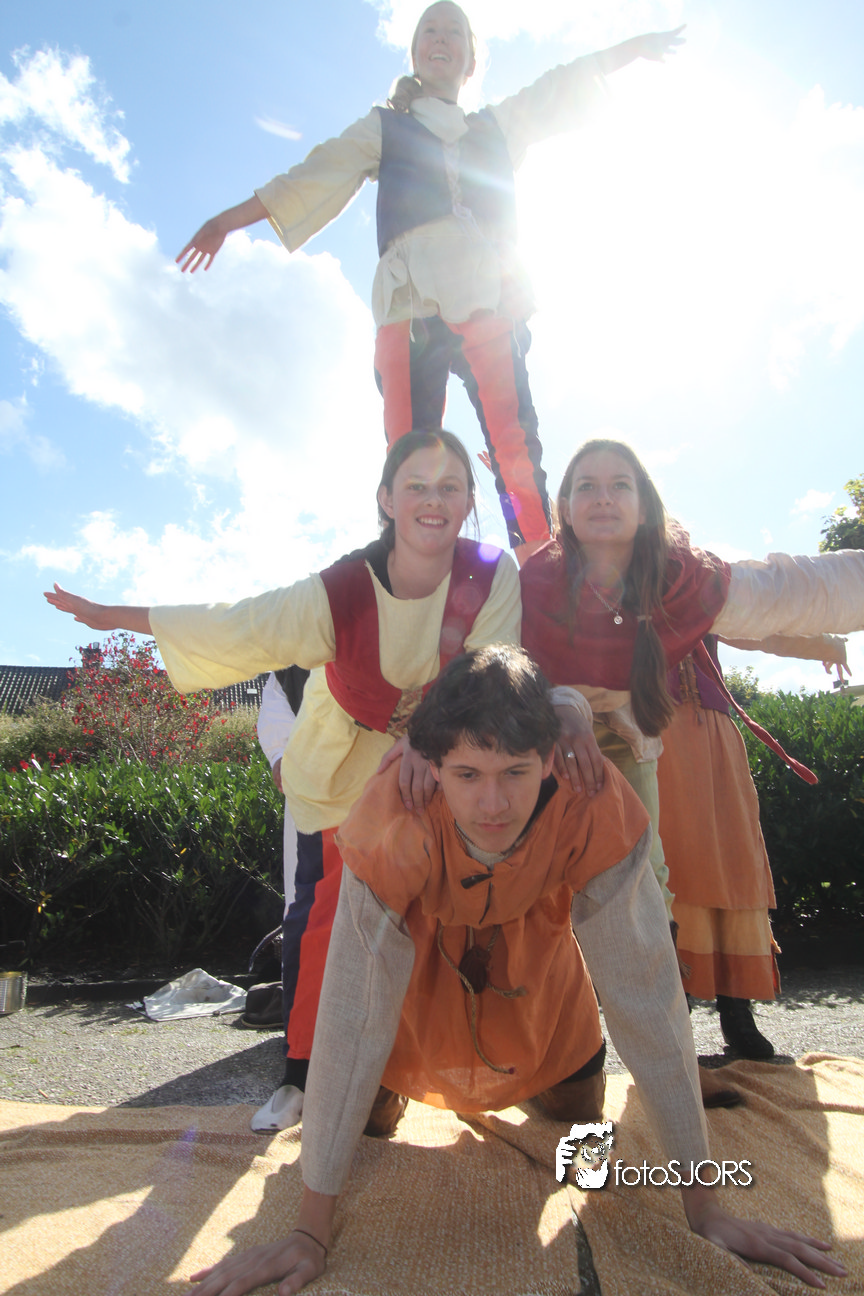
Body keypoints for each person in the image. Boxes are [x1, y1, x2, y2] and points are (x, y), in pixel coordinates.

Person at [182, 646, 846, 1296]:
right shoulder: (393, 816)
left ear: (551, 759)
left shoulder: (593, 802)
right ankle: (385, 1105)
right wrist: (310, 1231)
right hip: (417, 1009)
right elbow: (354, 1008)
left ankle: (555, 1084)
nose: (492, 804)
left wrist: (707, 1210)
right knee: (364, 1129)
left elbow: (646, 997)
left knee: (581, 1126)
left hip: (543, 1002)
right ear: (432, 767)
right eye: (468, 775)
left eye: (515, 772)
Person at [45, 429, 541, 1131]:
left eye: (450, 487)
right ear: (386, 499)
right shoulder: (341, 588)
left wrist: (423, 745)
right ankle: (301, 1074)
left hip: (440, 768)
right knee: (321, 917)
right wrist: (118, 619)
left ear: (467, 502)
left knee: (445, 910)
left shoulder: (492, 572)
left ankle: (439, 1067)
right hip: (339, 769)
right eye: (417, 486)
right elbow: (244, 625)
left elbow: (488, 672)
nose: (433, 500)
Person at [176, 3, 685, 561]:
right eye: (430, 31)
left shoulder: (496, 125)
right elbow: (311, 174)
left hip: (487, 295)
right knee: (410, 454)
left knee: (514, 446)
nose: (441, 39)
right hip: (409, 300)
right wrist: (225, 222)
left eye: (453, 32)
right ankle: (413, 573)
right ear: (415, 53)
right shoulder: (386, 127)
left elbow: (559, 85)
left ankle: (540, 567)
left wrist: (629, 51)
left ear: (472, 61)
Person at [518, 438, 864, 1097]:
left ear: (647, 510)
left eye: (621, 487)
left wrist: (824, 641)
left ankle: (713, 1030)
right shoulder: (547, 586)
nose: (604, 500)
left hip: (677, 734)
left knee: (697, 872)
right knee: (604, 878)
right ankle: (573, 1054)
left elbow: (765, 608)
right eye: (587, 487)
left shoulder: (685, 581)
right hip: (623, 735)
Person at [658, 634, 848, 1060]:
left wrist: (827, 645)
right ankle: (674, 1013)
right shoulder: (617, 597)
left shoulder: (703, 594)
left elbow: (760, 624)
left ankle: (737, 1009)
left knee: (736, 863)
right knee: (673, 868)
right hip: (653, 740)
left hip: (718, 742)